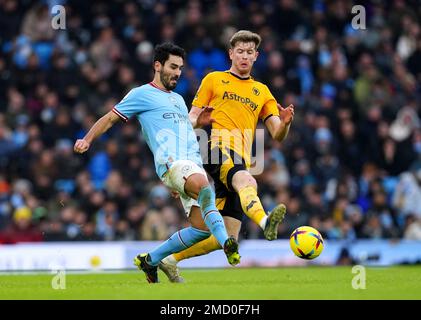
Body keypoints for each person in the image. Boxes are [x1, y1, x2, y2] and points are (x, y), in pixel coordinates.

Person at [73, 42, 240, 283]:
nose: (177, 72)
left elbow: (177, 129)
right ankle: (228, 243)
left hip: (191, 165)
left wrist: (197, 123)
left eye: (181, 68)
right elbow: (110, 118)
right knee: (205, 189)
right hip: (174, 164)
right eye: (173, 67)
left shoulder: (179, 100)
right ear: (157, 65)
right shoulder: (141, 94)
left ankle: (149, 260)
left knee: (201, 230)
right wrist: (87, 139)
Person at [159, 30, 294, 282]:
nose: (244, 56)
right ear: (231, 53)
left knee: (224, 238)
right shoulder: (214, 80)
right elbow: (189, 120)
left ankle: (169, 259)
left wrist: (285, 123)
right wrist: (194, 132)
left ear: (256, 56)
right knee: (248, 181)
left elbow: (276, 133)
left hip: (239, 159)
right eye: (239, 51)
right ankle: (265, 222)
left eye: (249, 52)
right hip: (214, 149)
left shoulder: (262, 91)